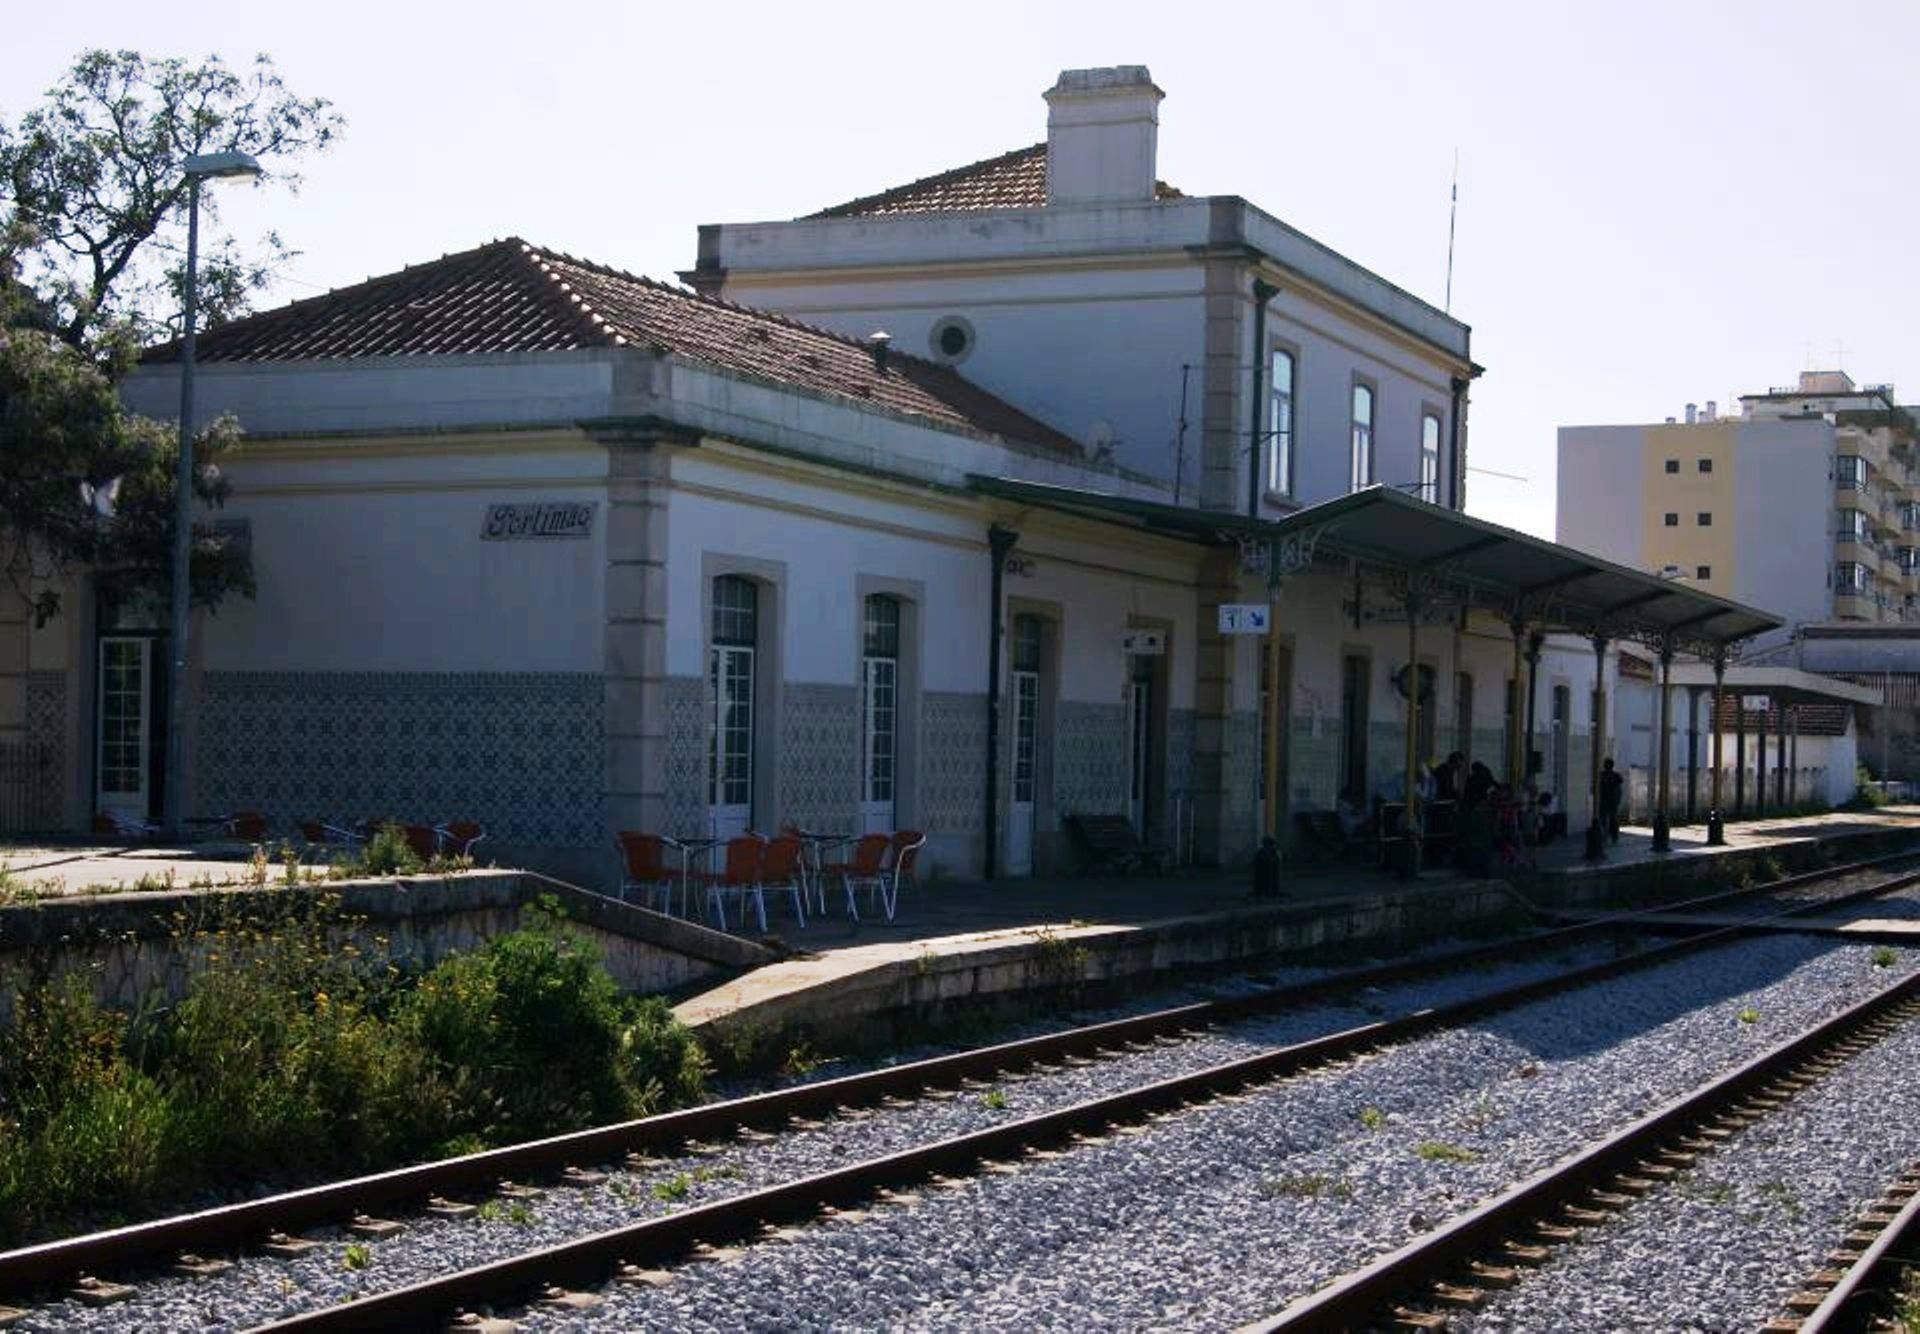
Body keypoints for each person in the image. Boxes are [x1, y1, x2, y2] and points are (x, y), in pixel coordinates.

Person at [1599, 757, 1625, 843]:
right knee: (1608, 818)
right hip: (1608, 800)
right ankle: (1609, 835)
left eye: (1606, 765)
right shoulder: (1605, 775)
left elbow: (1619, 786)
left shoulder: (1613, 776)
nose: (1605, 766)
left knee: (1610, 819)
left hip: (1610, 801)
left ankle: (1612, 835)